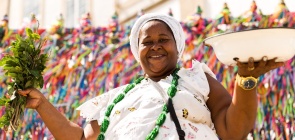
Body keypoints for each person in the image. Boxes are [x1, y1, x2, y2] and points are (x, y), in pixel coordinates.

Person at [18, 13, 284, 140]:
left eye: (163, 39)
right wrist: (41, 104)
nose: (155, 45)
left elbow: (233, 130)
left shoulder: (196, 78)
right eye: (147, 42)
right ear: (137, 51)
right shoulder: (117, 98)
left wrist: (246, 82)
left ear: (177, 46)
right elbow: (78, 138)